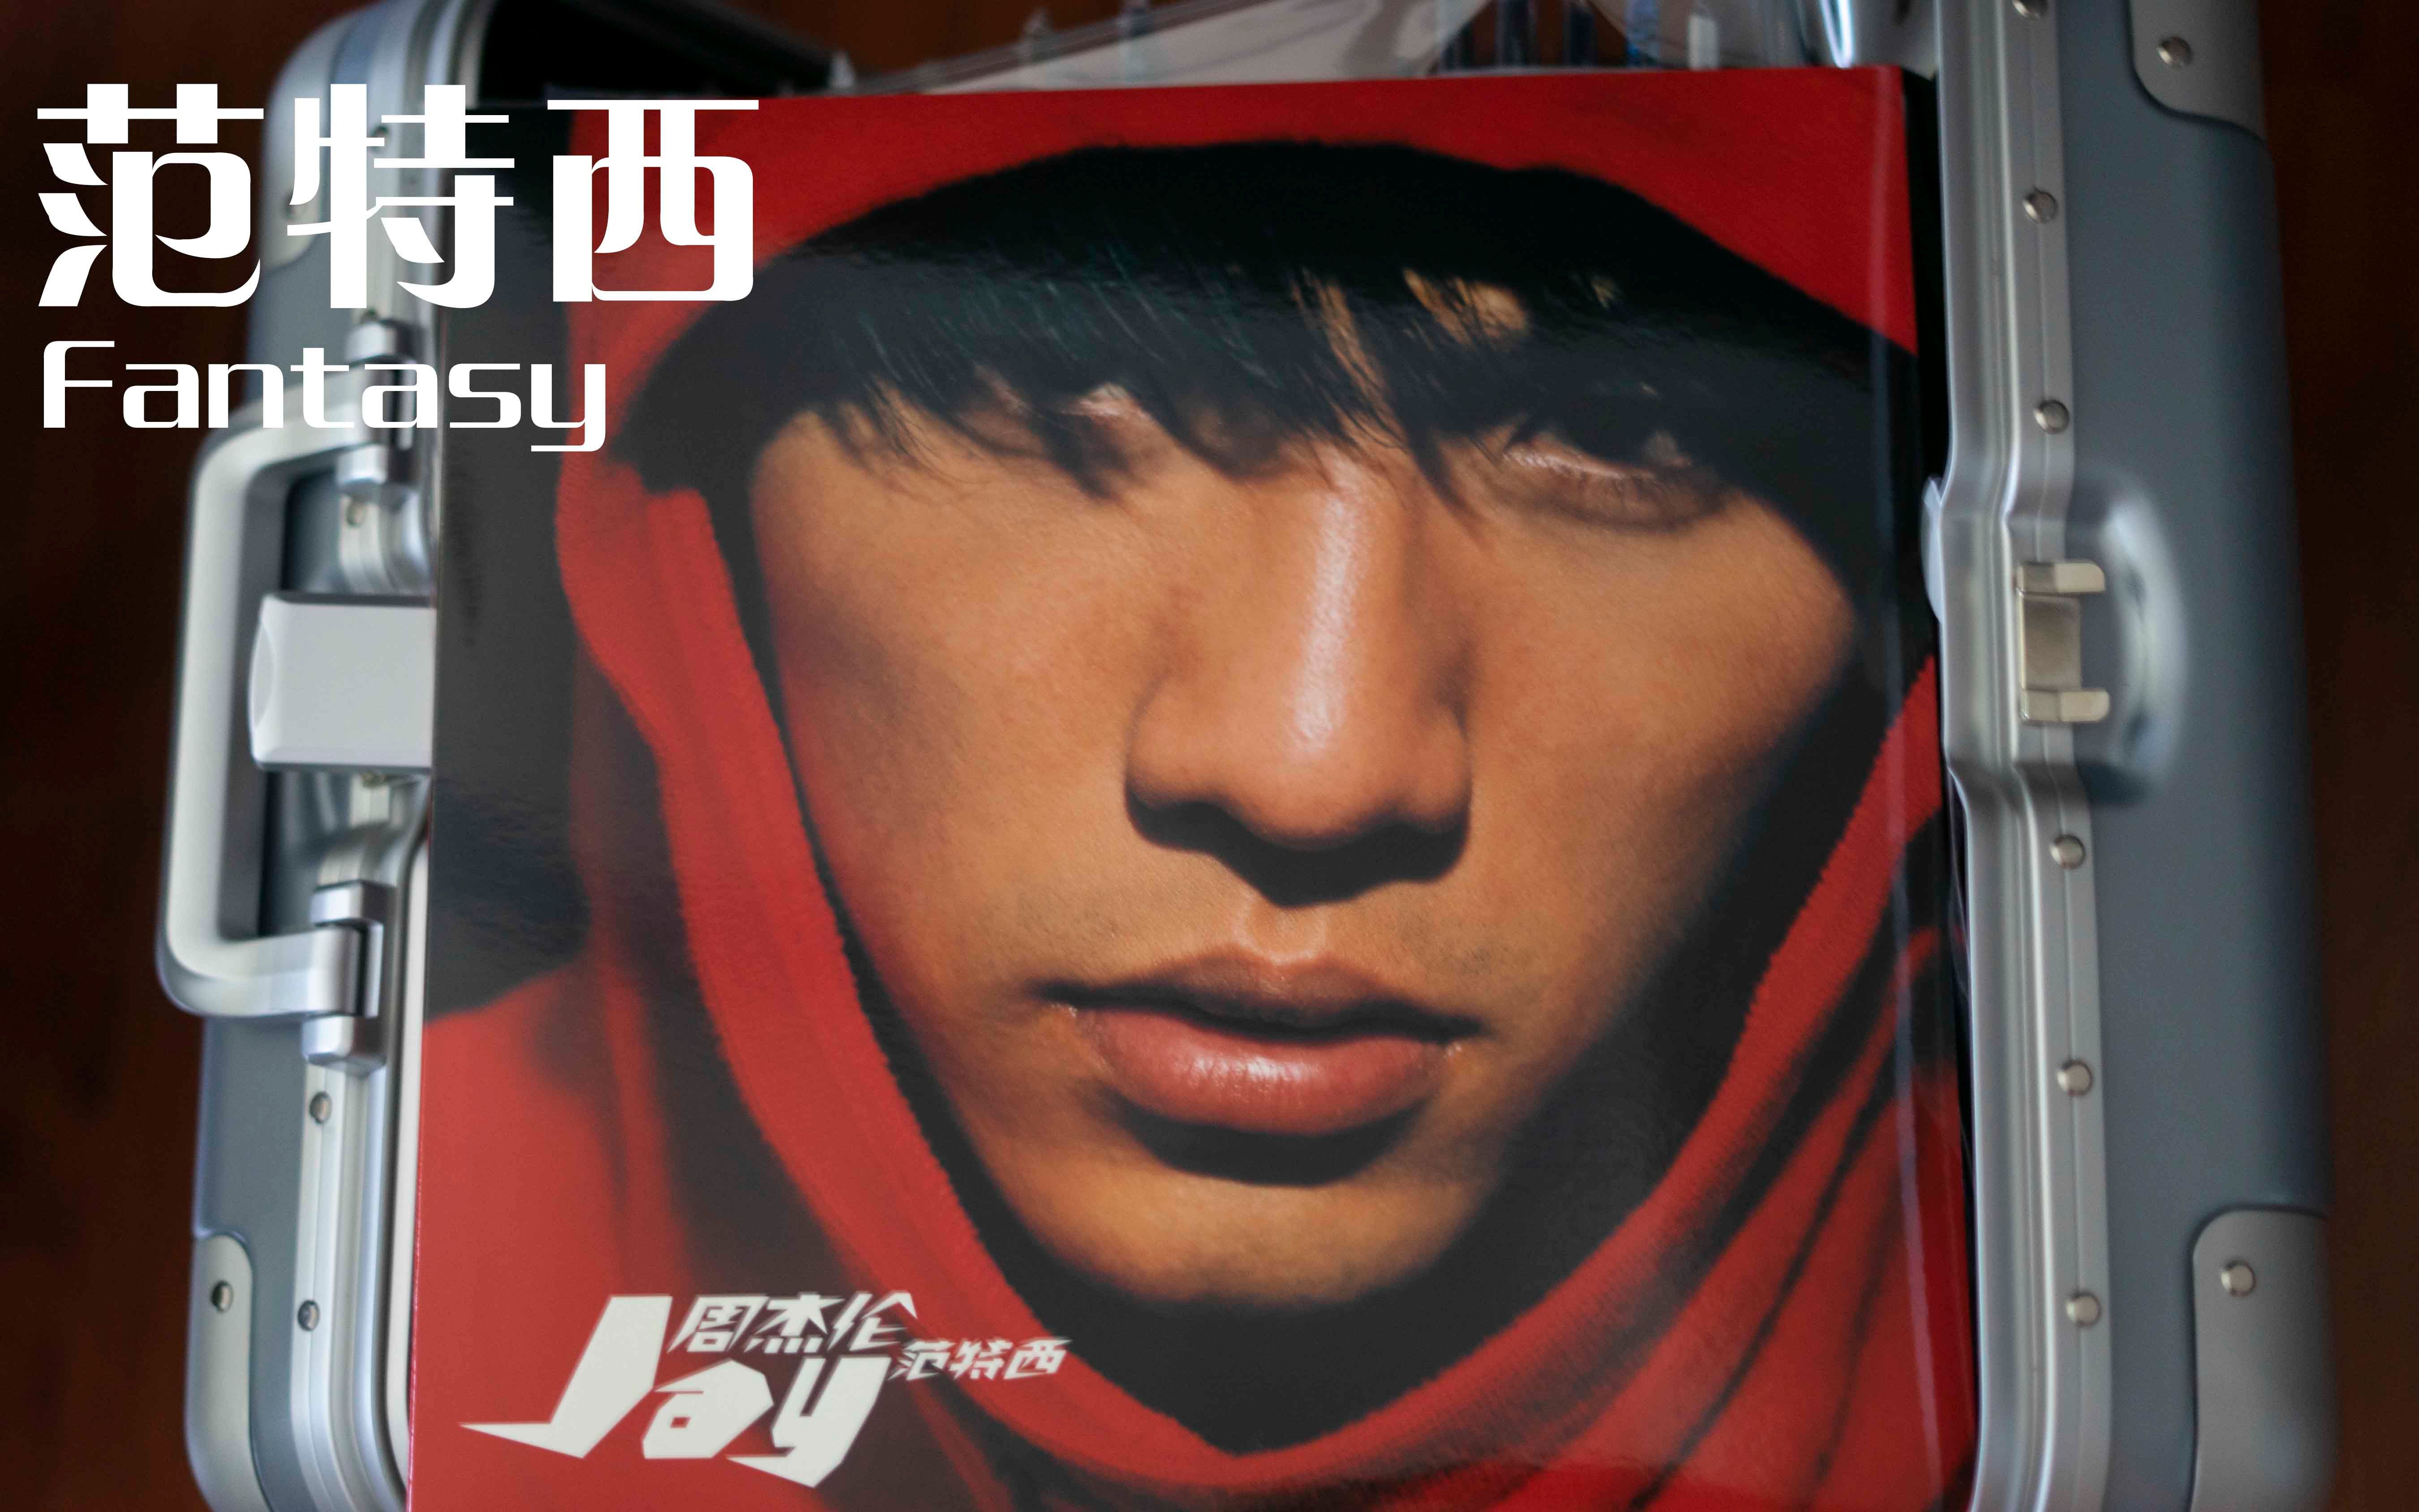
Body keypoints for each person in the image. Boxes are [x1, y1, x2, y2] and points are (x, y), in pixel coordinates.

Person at [413, 74, 1973, 1511]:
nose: (1312, 769)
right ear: (692, 495)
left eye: (1621, 427)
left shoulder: (2069, 1349)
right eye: (1054, 375)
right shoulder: (363, 1279)